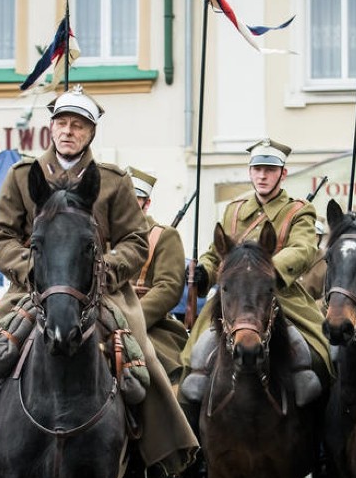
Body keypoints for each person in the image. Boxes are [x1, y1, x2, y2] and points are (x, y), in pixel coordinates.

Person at [0, 85, 197, 478]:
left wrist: (105, 271)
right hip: (33, 286)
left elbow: (135, 240)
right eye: (62, 123)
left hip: (99, 288)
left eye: (77, 125)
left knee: (142, 353)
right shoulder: (23, 177)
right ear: (51, 128)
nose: (68, 131)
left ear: (90, 133)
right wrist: (32, 269)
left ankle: (160, 456)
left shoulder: (114, 181)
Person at [182, 138, 332, 407]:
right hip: (234, 297)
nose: (263, 175)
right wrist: (205, 270)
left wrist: (265, 270)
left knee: (317, 354)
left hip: (279, 294)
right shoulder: (234, 210)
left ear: (282, 174)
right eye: (257, 169)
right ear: (250, 171)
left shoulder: (299, 211)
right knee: (194, 356)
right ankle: (191, 433)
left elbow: (304, 248)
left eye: (270, 170)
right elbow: (217, 251)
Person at [128, 167, 190, 384]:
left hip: (149, 323)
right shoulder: (103, 236)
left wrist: (131, 320)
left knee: (162, 375)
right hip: (102, 319)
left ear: (146, 204)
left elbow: (169, 287)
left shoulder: (164, 236)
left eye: (134, 199)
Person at [298, 218, 328, 304]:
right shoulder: (292, 256)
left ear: (318, 238)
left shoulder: (327, 263)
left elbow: (327, 299)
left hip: (311, 313)